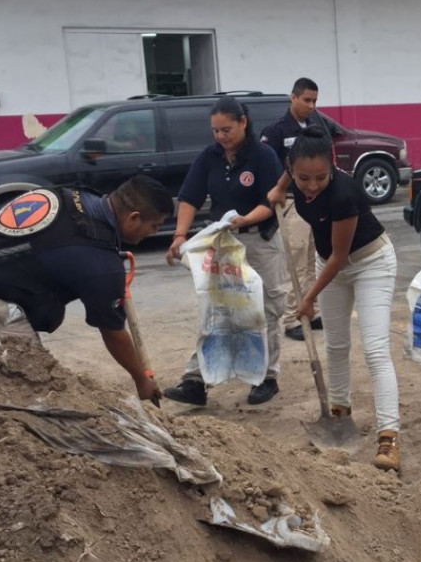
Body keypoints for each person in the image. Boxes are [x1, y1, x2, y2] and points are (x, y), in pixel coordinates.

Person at [0, 175, 172, 402]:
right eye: (155, 225)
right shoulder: (100, 264)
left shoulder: (72, 196)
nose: (155, 232)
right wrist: (141, 378)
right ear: (134, 218)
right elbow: (113, 332)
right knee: (32, 397)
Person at [275, 127, 402, 472]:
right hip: (329, 262)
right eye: (303, 178)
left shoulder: (344, 192)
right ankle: (339, 412)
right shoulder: (295, 175)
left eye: (320, 177)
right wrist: (279, 189)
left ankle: (388, 437)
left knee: (375, 349)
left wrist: (307, 299)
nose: (312, 185)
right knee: (335, 345)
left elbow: (339, 257)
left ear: (331, 166)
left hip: (369, 262)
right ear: (292, 167)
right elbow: (288, 177)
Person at [162, 97, 289, 407]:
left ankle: (266, 377)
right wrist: (180, 235)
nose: (220, 136)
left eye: (227, 130)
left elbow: (270, 201)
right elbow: (190, 197)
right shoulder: (209, 157)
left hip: (259, 239)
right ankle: (196, 380)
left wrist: (245, 220)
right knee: (216, 308)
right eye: (215, 131)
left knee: (267, 307)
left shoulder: (263, 156)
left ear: (243, 122)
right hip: (223, 243)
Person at [261, 77, 330, 341]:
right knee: (296, 260)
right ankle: (292, 318)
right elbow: (267, 166)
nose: (311, 105)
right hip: (291, 201)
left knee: (314, 258)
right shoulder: (277, 131)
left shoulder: (315, 127)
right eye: (306, 100)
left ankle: (309, 312)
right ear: (293, 98)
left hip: (316, 200)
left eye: (315, 101)